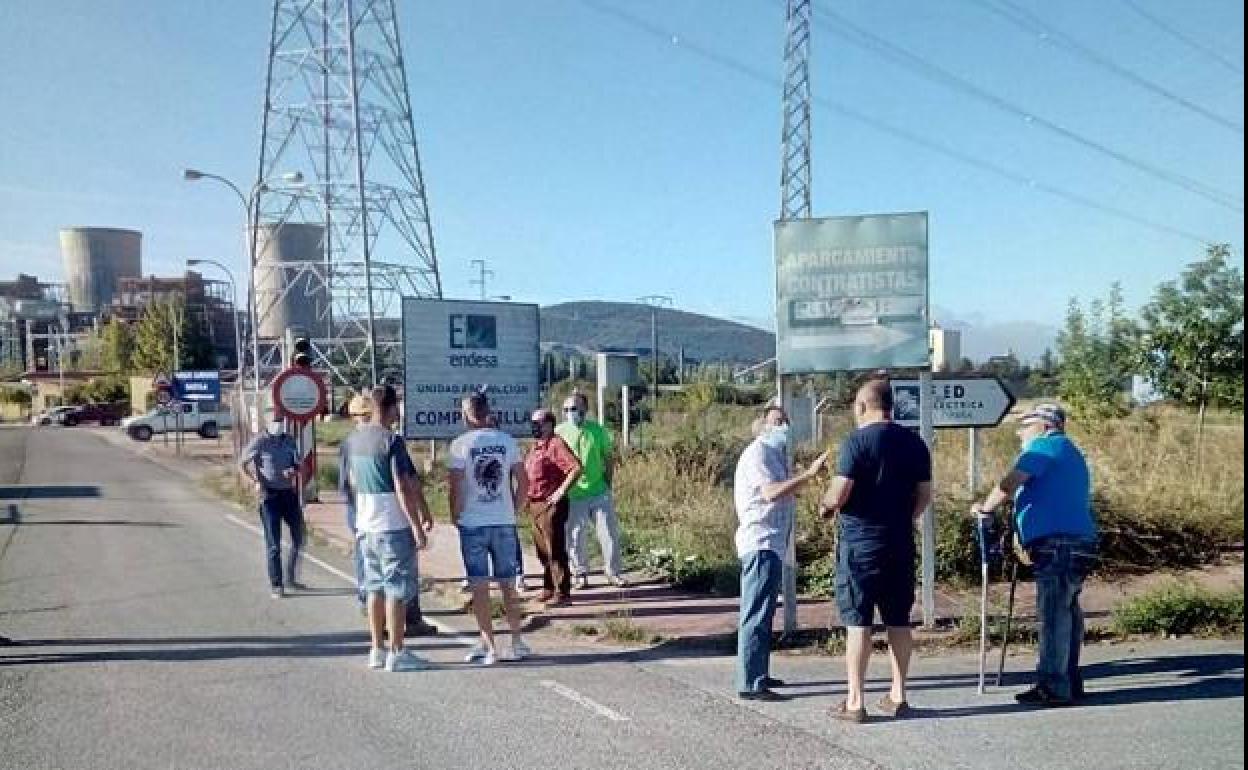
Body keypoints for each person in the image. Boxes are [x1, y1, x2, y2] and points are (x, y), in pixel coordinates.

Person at [818, 379, 932, 722]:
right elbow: (924, 495)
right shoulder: (915, 443)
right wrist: (903, 519)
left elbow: (840, 493)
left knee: (858, 622)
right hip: (900, 543)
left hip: (861, 545)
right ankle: (898, 694)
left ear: (862, 406)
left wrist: (826, 504)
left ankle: (855, 701)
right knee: (899, 620)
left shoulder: (856, 442)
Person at [972, 403, 1098, 707]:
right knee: (1067, 611)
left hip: (1058, 543)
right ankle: (1068, 678)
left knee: (1053, 614)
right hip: (1076, 541)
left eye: (1025, 426)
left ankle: (1054, 685)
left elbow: (1010, 483)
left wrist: (985, 508)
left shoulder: (1044, 447)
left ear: (1043, 426)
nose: (1020, 433)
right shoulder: (1069, 450)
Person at [733, 405, 828, 702]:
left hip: (772, 543)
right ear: (761, 425)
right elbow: (771, 492)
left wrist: (807, 480)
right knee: (756, 612)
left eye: (785, 420)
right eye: (776, 421)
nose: (783, 426)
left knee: (764, 611)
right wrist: (807, 475)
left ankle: (758, 671)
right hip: (761, 542)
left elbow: (784, 491)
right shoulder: (758, 453)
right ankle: (751, 681)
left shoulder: (775, 455)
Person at [341, 384, 434, 672]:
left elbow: (350, 483)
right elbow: (402, 485)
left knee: (374, 588)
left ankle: (377, 649)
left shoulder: (352, 441)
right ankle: (397, 650)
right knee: (396, 588)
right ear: (392, 408)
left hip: (365, 524)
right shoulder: (391, 441)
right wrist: (417, 525)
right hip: (392, 524)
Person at [450, 391, 531, 665]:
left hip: (473, 521)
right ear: (487, 412)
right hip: (503, 520)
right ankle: (517, 640)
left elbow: (456, 485)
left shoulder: (460, 445)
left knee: (479, 585)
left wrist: (456, 514)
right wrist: (513, 509)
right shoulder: (507, 441)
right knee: (508, 583)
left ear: (466, 415)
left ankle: (490, 645)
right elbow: (524, 482)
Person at [557, 392, 626, 589]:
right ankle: (580, 573)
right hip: (574, 493)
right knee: (575, 535)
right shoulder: (559, 432)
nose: (570, 413)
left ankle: (613, 572)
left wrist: (608, 484)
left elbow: (608, 459)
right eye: (566, 409)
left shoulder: (598, 431)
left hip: (598, 491)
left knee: (608, 533)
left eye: (574, 408)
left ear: (584, 409)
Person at [239, 417, 305, 599]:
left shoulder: (289, 440)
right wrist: (254, 481)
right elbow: (242, 464)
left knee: (299, 537)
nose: (278, 426)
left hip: (288, 494)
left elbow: (298, 463)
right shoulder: (259, 441)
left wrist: (293, 470)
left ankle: (290, 576)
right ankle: (277, 584)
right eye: (275, 422)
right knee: (274, 544)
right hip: (269, 496)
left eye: (281, 422)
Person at [524, 408, 582, 606]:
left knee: (554, 548)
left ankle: (562, 592)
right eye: (532, 422)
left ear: (549, 424)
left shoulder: (556, 444)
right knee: (542, 550)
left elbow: (575, 468)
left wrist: (561, 491)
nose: (534, 426)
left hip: (550, 505)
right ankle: (548, 587)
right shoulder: (536, 446)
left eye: (538, 423)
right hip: (535, 504)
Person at [339, 392, 372, 613]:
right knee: (363, 551)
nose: (366, 420)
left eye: (368, 415)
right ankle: (365, 596)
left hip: (370, 503)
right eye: (363, 416)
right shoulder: (350, 443)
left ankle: (374, 597)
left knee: (370, 552)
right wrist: (353, 506)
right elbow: (345, 480)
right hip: (359, 503)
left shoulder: (378, 439)